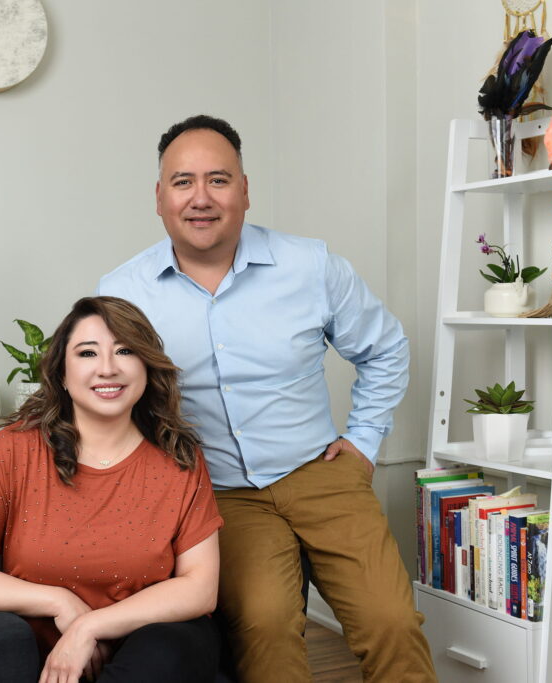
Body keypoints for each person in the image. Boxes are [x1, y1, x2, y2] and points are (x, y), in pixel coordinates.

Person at [97, 115, 435, 682]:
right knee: (264, 625)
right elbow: (101, 398)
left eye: (218, 180)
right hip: (218, 492)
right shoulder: (121, 294)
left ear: (245, 191)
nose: (200, 198)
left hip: (322, 471)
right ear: (159, 198)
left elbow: (386, 348)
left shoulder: (311, 266)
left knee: (391, 620)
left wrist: (363, 444)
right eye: (182, 182)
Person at [0, 296, 224, 683]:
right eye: (87, 353)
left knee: (166, 652)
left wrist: (91, 627)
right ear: (62, 374)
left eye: (125, 350)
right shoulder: (16, 450)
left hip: (156, 644)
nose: (107, 368)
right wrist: (60, 602)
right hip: (44, 652)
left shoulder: (179, 456)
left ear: (146, 366)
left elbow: (200, 589)